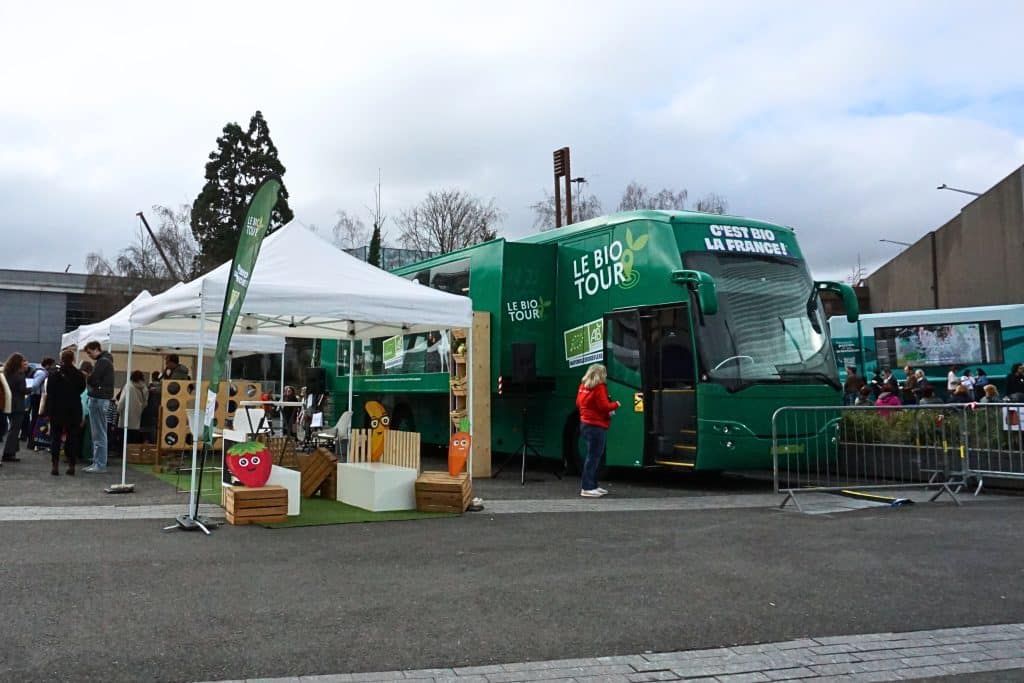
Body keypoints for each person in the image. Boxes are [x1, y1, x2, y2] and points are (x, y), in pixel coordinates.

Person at [575, 364, 620, 498]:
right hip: (596, 425)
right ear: (600, 374)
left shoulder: (583, 386)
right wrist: (616, 404)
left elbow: (578, 403)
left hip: (585, 424)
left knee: (593, 456)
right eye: (604, 373)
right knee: (594, 457)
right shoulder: (599, 387)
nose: (605, 376)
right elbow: (604, 406)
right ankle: (587, 487)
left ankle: (593, 485)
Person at [46, 350, 86, 476]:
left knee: (56, 438)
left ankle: (55, 465)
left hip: (57, 409)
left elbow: (49, 392)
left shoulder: (54, 374)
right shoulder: (79, 375)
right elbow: (81, 389)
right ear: (73, 359)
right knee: (72, 438)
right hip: (73, 409)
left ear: (61, 359)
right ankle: (71, 465)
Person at [83, 341, 114, 473]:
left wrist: (88, 377)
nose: (89, 356)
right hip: (102, 398)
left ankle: (99, 464)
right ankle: (98, 462)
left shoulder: (102, 362)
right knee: (99, 433)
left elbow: (93, 379)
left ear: (96, 349)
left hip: (99, 399)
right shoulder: (107, 360)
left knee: (99, 433)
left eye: (90, 352)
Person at [2, 353, 30, 463]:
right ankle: (8, 453)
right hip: (18, 404)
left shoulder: (7, 373)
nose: (25, 363)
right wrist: (31, 389)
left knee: (12, 429)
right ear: (19, 363)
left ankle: (12, 451)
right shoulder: (20, 375)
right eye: (23, 361)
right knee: (15, 429)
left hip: (9, 403)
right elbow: (23, 390)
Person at [25, 357, 55, 448]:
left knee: (34, 418)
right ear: (47, 365)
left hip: (37, 397)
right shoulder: (42, 373)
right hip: (38, 398)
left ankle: (32, 441)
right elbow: (35, 385)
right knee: (35, 418)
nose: (53, 367)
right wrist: (32, 392)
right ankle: (31, 441)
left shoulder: (40, 372)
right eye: (52, 365)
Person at [117, 370, 148, 445]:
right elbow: (145, 404)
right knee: (133, 444)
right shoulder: (145, 388)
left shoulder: (128, 386)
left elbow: (122, 401)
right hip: (137, 420)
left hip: (125, 419)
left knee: (124, 444)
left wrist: (118, 410)